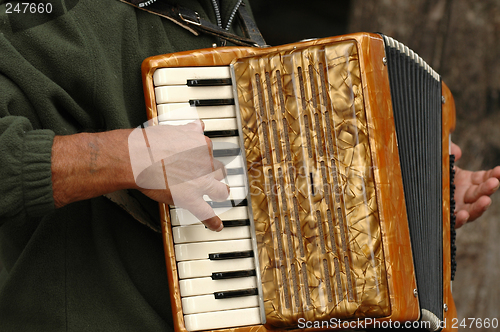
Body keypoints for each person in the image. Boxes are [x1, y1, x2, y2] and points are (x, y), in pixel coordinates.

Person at [0, 0, 499, 331]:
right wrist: (126, 157)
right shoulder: (43, 16)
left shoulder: (228, 17)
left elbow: (269, 200)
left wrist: (410, 202)